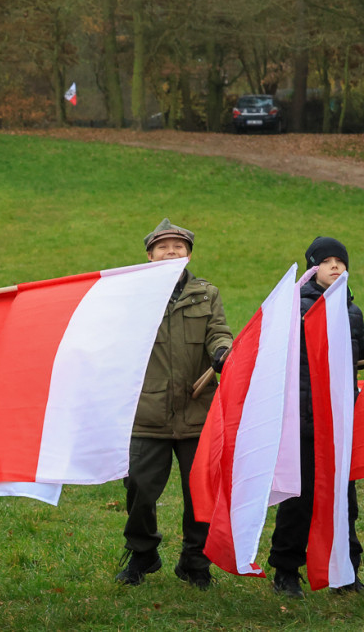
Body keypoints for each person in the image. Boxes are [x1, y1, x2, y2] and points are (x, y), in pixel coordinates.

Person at [116, 218, 232, 590]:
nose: (171, 251)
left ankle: (195, 563)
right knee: (139, 489)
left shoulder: (206, 294)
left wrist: (223, 352)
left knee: (201, 494)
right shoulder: (131, 294)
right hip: (146, 413)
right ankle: (142, 553)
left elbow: (218, 331)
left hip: (198, 412)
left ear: (188, 254)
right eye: (162, 247)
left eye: (178, 247)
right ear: (149, 255)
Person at [268, 236, 363, 597]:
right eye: (326, 261)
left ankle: (346, 571)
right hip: (304, 424)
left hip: (340, 426)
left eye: (340, 261)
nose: (335, 266)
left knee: (344, 502)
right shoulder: (295, 308)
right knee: (299, 500)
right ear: (312, 268)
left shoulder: (352, 312)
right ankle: (286, 571)